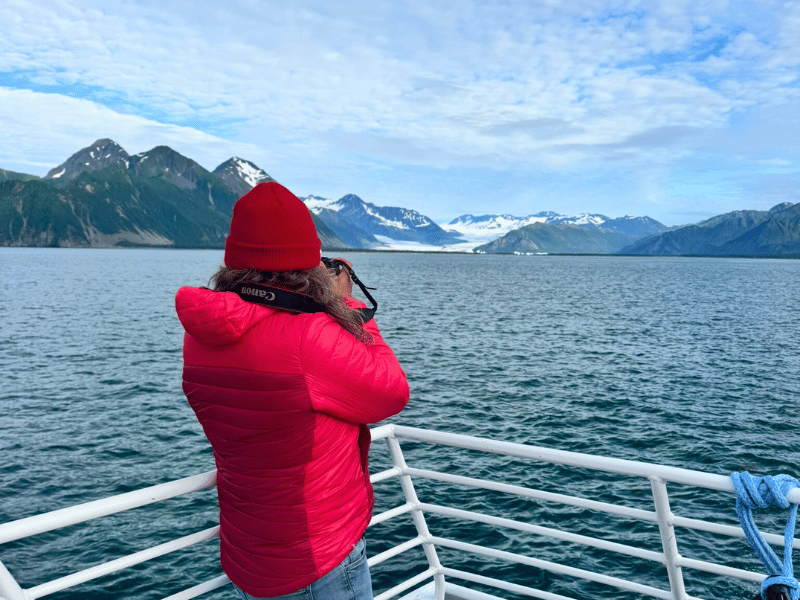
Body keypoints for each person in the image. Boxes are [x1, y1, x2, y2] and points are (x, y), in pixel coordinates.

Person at [175, 181, 410, 600]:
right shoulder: (308, 338)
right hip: (319, 559)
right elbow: (391, 392)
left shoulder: (201, 336)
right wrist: (348, 308)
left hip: (249, 555)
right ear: (304, 264)